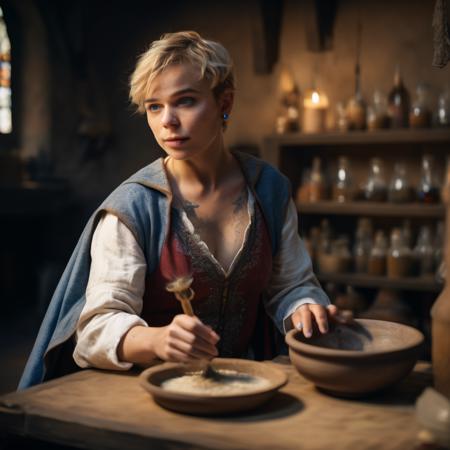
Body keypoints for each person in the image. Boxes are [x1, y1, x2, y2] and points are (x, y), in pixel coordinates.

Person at [19, 31, 336, 389]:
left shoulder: (269, 190)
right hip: (150, 392)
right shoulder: (134, 207)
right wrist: (155, 340)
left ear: (224, 102)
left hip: (250, 386)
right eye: (154, 106)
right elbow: (94, 329)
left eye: (184, 101)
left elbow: (291, 286)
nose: (167, 120)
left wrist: (305, 308)